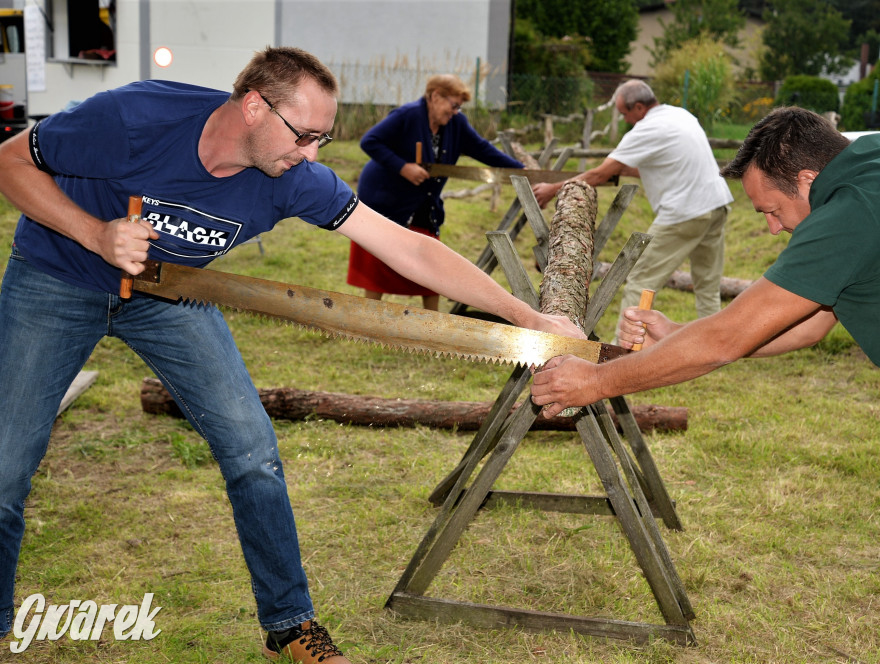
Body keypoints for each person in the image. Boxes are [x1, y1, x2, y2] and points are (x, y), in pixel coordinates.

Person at [0, 47, 581, 663]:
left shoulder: (293, 176)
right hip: (55, 278)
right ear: (254, 106)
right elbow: (10, 161)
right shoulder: (133, 117)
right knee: (8, 465)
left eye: (323, 139)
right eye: (304, 135)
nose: (310, 154)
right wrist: (95, 233)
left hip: (169, 294)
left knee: (253, 454)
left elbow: (407, 250)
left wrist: (528, 319)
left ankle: (290, 625)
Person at [530, 106, 880, 664]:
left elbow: (727, 340)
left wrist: (594, 381)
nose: (771, 227)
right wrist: (679, 334)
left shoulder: (852, 210)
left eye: (771, 209)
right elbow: (810, 322)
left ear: (810, 180)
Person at [532, 79, 733, 322]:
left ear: (638, 107)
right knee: (708, 287)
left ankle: (625, 350)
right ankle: (713, 348)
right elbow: (665, 166)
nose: (625, 120)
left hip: (685, 211)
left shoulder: (646, 128)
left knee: (640, 282)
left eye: (624, 113)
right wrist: (622, 171)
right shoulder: (679, 115)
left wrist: (552, 189)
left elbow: (599, 173)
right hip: (717, 204)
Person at [348, 74, 524, 311]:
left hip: (423, 201)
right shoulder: (406, 115)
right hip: (385, 198)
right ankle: (368, 322)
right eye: (454, 105)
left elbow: (481, 149)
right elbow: (370, 141)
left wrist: (521, 170)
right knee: (378, 262)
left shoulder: (456, 123)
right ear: (436, 96)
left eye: (459, 107)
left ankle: (432, 322)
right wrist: (403, 167)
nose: (455, 111)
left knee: (430, 261)